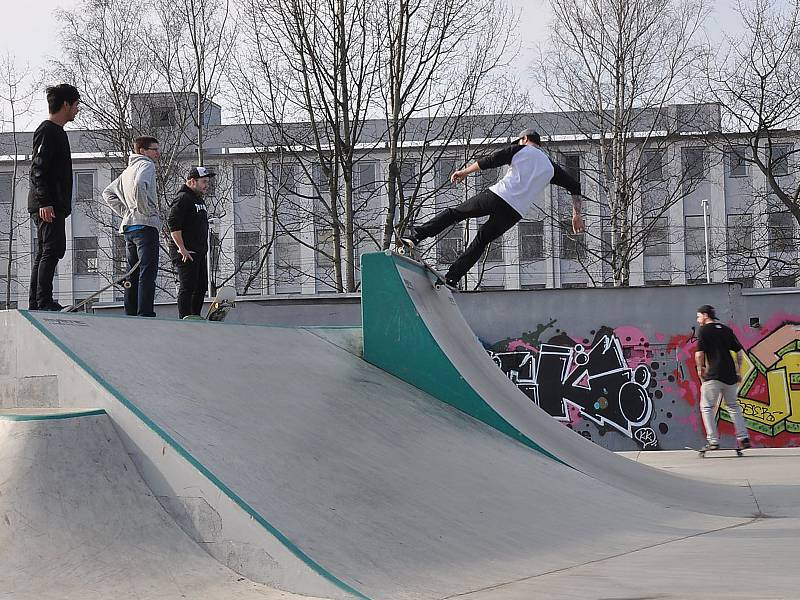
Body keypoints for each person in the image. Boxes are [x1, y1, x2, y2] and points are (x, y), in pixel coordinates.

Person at [401, 128, 584, 288]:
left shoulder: (520, 149)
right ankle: (452, 278)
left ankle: (416, 236)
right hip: (514, 213)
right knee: (481, 240)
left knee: (455, 213)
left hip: (497, 197)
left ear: (525, 139)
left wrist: (464, 171)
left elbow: (491, 160)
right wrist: (576, 214)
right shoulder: (551, 167)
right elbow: (575, 186)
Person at [27, 83, 81, 311]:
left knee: (49, 249)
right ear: (66, 104)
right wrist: (45, 201)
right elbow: (38, 168)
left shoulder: (56, 132)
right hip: (46, 204)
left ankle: (39, 301)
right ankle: (43, 301)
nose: (77, 110)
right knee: (51, 248)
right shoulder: (47, 130)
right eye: (76, 105)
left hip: (52, 203)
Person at [102, 136, 162, 317]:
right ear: (142, 151)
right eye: (155, 149)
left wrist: (127, 212)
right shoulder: (147, 165)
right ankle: (145, 311)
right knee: (147, 270)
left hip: (130, 227)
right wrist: (143, 209)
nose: (158, 153)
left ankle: (130, 310)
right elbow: (139, 184)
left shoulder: (127, 171)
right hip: (145, 225)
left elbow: (108, 193)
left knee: (132, 271)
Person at [695, 304, 752, 451]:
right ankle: (743, 438)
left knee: (706, 406)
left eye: (699, 316)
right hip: (730, 376)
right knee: (733, 406)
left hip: (713, 375)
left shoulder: (703, 331)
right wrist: (738, 372)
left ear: (706, 315)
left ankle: (713, 441)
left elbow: (699, 353)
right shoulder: (726, 330)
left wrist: (700, 369)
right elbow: (739, 353)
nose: (698, 320)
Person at [168, 167, 213, 319]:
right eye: (204, 182)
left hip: (199, 252)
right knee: (188, 286)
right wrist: (181, 248)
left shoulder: (198, 199)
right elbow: (173, 224)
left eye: (208, 182)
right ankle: (185, 317)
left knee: (201, 286)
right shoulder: (183, 198)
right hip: (186, 251)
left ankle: (195, 315)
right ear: (192, 181)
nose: (207, 185)